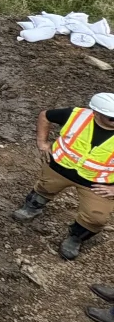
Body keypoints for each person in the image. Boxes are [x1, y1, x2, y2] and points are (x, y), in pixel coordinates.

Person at [12, 93, 114, 259]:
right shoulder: (75, 116)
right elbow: (45, 116)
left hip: (97, 183)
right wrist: (42, 143)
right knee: (45, 187)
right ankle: (33, 207)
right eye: (112, 119)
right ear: (96, 113)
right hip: (59, 167)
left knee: (96, 217)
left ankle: (75, 238)